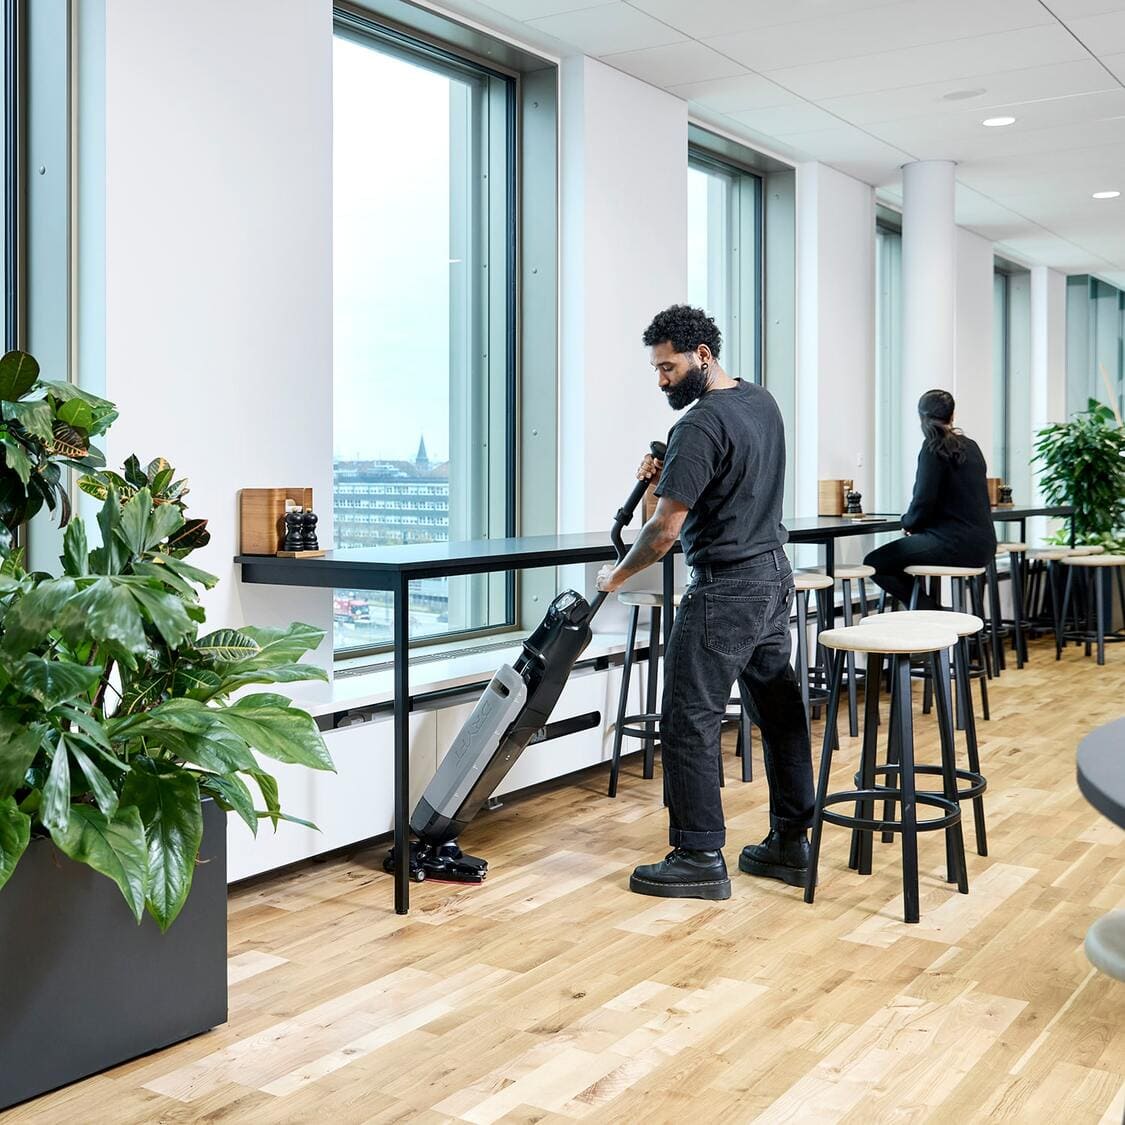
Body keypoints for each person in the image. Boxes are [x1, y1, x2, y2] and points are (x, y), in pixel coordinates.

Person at [595, 305, 814, 901]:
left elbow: (665, 532)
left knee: (688, 718)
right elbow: (680, 507)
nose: (661, 379)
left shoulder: (697, 425)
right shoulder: (761, 401)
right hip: (773, 577)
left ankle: (698, 856)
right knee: (780, 714)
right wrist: (658, 481)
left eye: (667, 367)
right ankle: (792, 844)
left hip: (725, 588)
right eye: (655, 369)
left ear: (702, 355)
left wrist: (616, 577)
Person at [865, 389, 997, 610]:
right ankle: (933, 613)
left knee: (875, 563)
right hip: (984, 546)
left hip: (954, 544)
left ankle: (933, 613)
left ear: (921, 417)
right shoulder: (972, 446)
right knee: (899, 557)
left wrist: (908, 523)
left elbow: (923, 502)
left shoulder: (932, 448)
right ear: (952, 416)